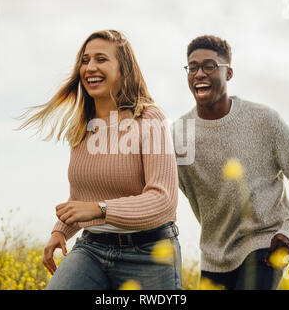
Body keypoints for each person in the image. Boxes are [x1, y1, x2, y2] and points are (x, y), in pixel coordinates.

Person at [15, 30, 181, 290]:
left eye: (101, 59)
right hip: (92, 249)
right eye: (85, 60)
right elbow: (81, 198)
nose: (90, 67)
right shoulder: (82, 127)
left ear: (123, 69)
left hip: (149, 253)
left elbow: (163, 200)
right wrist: (60, 230)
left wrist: (100, 209)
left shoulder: (149, 119)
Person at [172, 35, 289, 290]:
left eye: (209, 66)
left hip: (265, 242)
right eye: (192, 67)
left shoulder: (264, 120)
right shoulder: (178, 135)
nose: (199, 74)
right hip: (214, 255)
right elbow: (155, 184)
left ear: (228, 73)